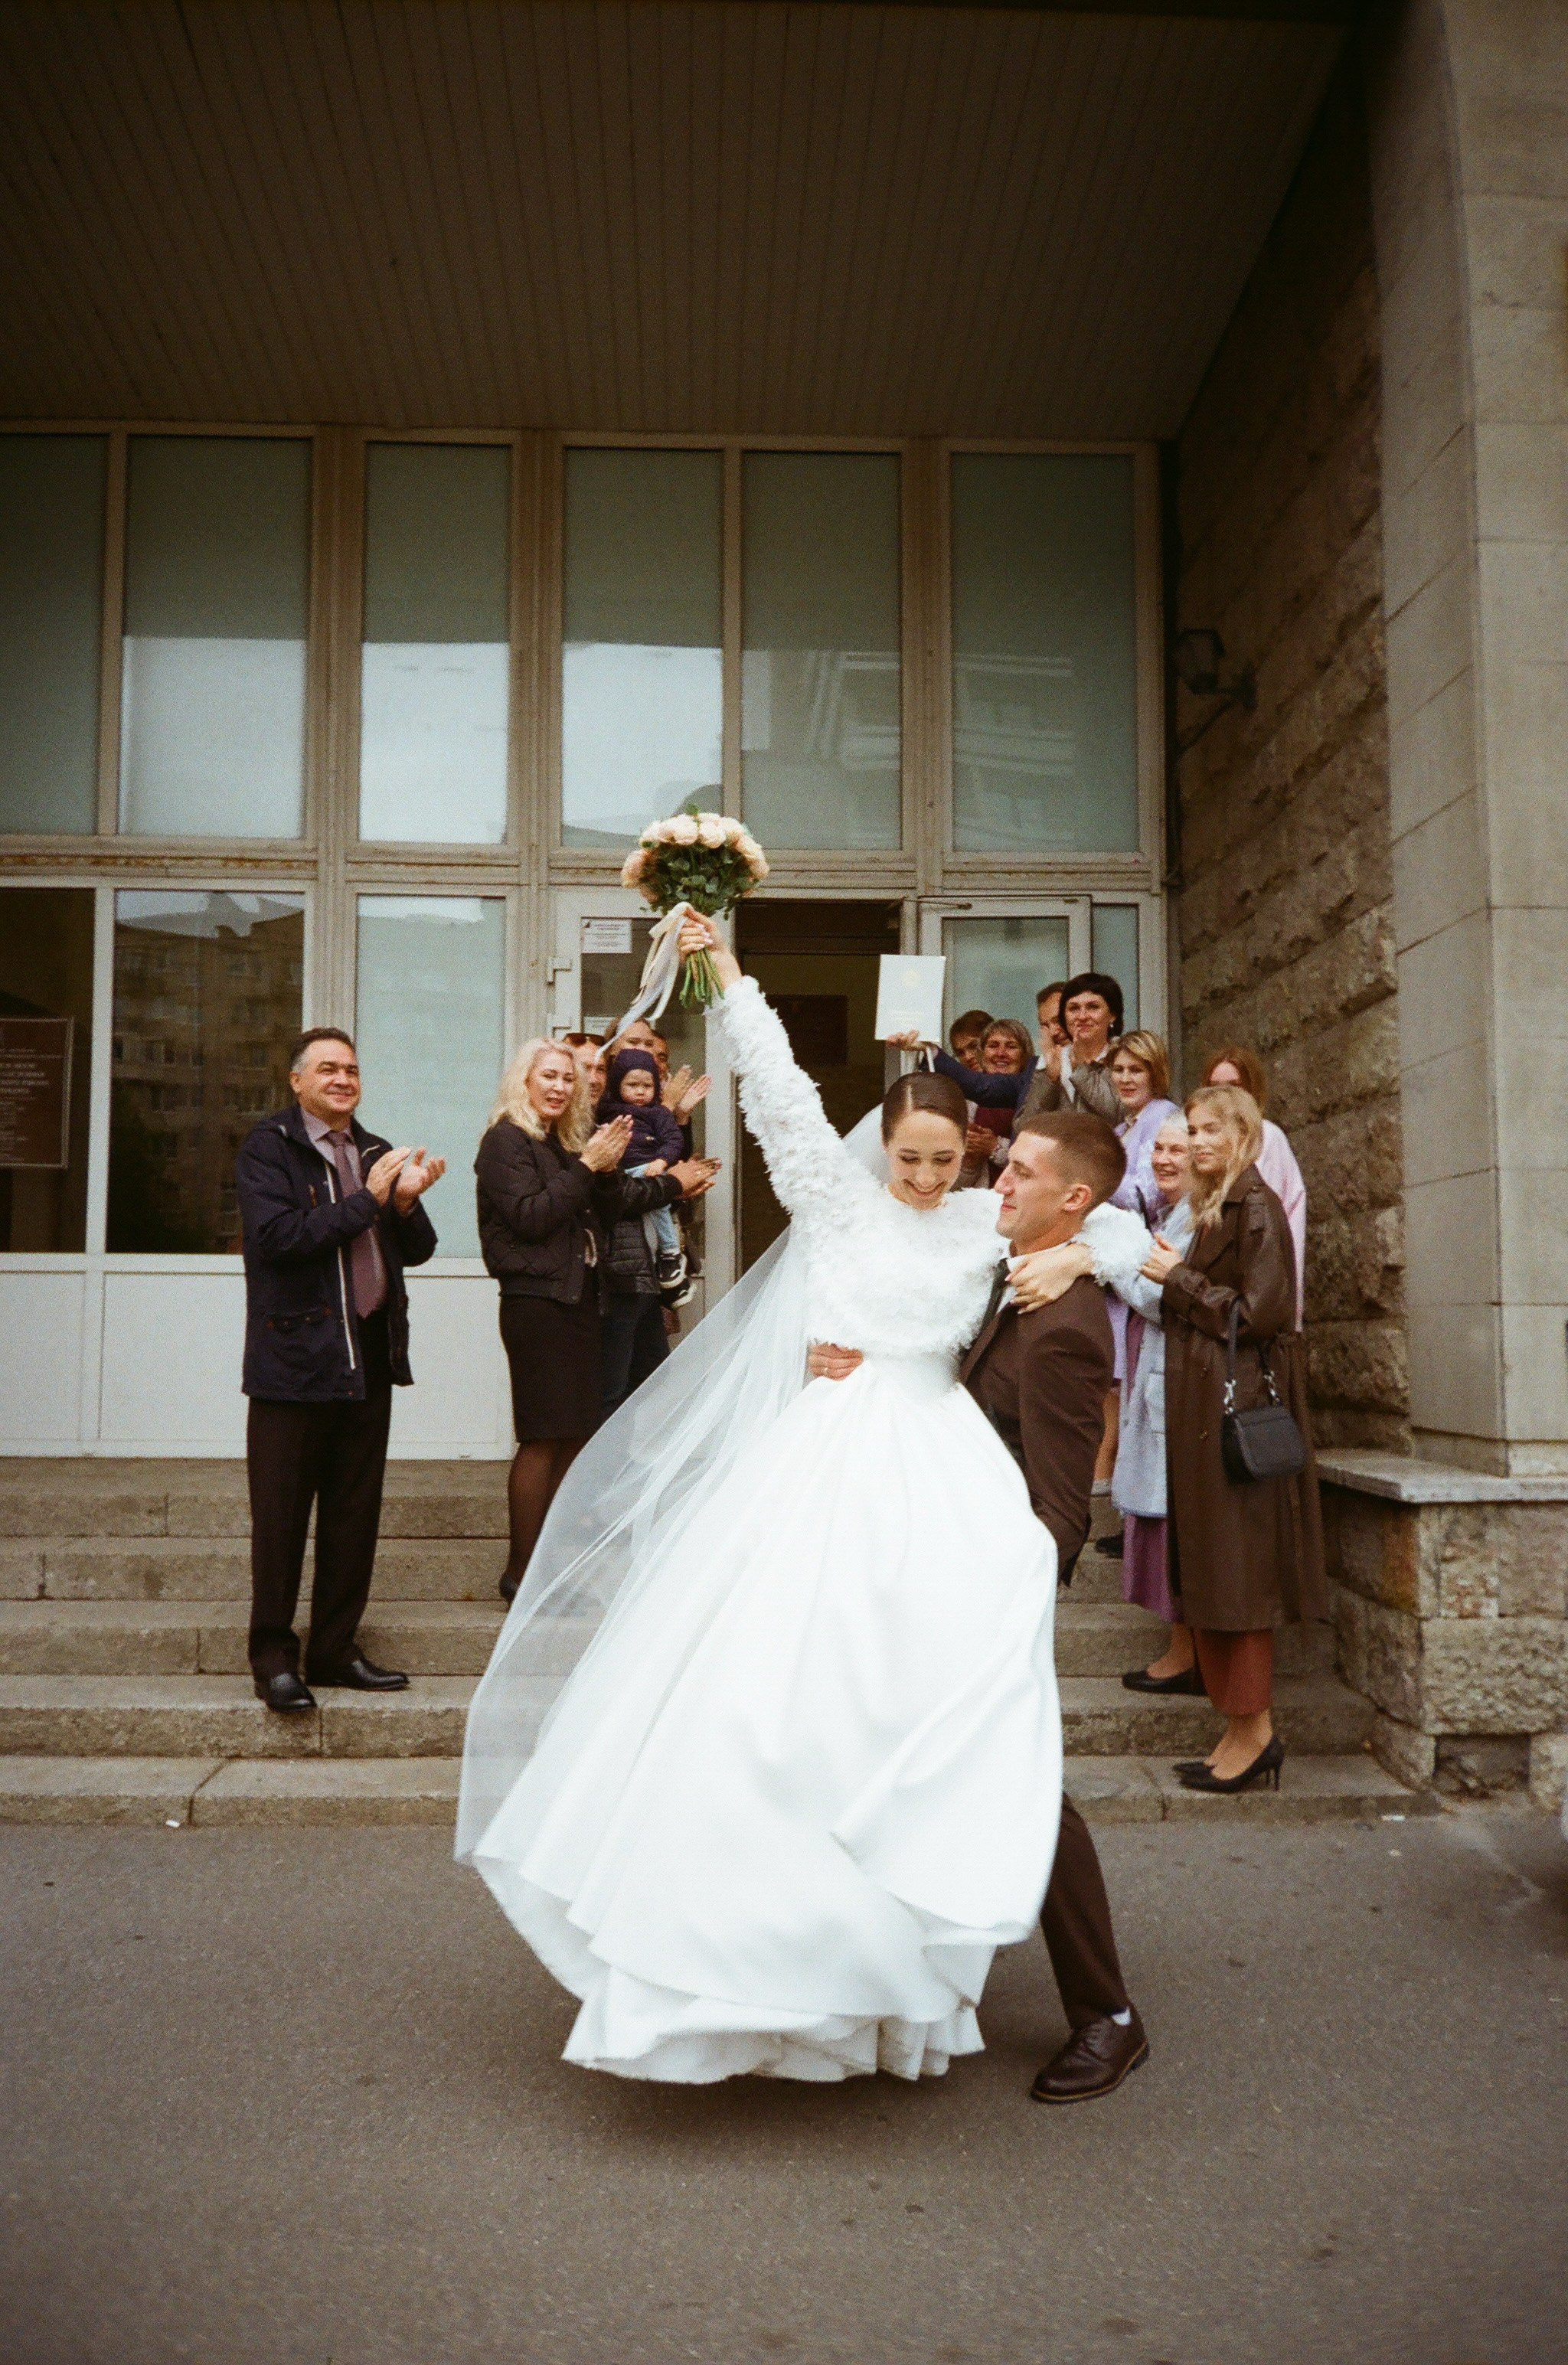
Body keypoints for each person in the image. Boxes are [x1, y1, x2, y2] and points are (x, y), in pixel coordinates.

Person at [456, 916, 1148, 2086]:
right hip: (823, 1475)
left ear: (976, 1158)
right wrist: (723, 966)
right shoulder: (839, 1202)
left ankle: (923, 1962)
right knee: (775, 1714)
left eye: (947, 1160)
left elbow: (1128, 1226)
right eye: (910, 1158)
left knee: (924, 1728)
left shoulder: (1002, 1224)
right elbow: (774, 1086)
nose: (926, 1179)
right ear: (881, 1147)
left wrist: (1087, 1258)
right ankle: (773, 1958)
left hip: (943, 1493)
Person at [950, 1112, 1152, 2102]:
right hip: (942, 1570)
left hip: (996, 1588)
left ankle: (1109, 2014)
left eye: (1023, 1172)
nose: (1002, 1181)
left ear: (1072, 1198)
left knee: (1031, 1789)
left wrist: (1000, 1605)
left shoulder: (1067, 1327)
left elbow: (1064, 1507)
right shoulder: (1016, 1268)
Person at [236, 1026, 445, 1713]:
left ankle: (333, 1650)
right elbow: (278, 1240)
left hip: (368, 1364)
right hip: (294, 1365)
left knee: (354, 1517)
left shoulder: (375, 1151)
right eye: (327, 1068)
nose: (342, 1079)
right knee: (281, 1518)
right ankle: (275, 1658)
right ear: (296, 1080)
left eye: (351, 1068)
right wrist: (366, 1201)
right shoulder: (271, 1147)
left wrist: (405, 1203)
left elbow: (417, 1251)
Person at [475, 1038, 717, 1606]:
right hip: (537, 1304)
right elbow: (532, 1217)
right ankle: (521, 1573)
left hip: (582, 1300)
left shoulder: (564, 1141)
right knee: (542, 1438)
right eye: (550, 1077)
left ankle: (549, 1573)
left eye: (568, 1078)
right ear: (524, 1082)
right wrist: (588, 1165)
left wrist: (671, 1183)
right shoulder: (504, 1141)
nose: (561, 1086)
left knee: (577, 1437)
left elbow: (611, 1203)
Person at [1141, 1084, 1328, 1792]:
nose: (1195, 1141)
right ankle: (1238, 1727)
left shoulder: (1256, 1206)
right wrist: (1176, 1277)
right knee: (1216, 1567)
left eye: (1209, 1129)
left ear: (1244, 1133)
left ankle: (1255, 1732)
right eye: (1190, 1129)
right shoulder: (1215, 1205)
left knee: (1239, 1568)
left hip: (1236, 1408)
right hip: (1206, 1406)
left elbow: (1265, 1313)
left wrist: (1178, 1277)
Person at [1112, 1117, 1200, 1682]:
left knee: (1176, 1526)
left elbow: (1160, 1295)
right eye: (1159, 1149)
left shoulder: (1197, 1218)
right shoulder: (1171, 1214)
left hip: (1181, 1385)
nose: (1165, 1159)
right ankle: (1184, 1652)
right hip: (1158, 1381)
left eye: (1179, 1150)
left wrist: (1117, 1259)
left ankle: (1186, 1656)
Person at [913, 969, 1125, 1133]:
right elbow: (1024, 1128)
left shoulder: (1126, 1057)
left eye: (1093, 1007)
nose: (1082, 1016)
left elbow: (1117, 1113)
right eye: (1073, 1009)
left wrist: (1080, 1068)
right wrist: (1049, 1079)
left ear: (1112, 1015)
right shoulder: (1048, 1063)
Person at [1201, 1045, 1306, 1326]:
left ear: (1250, 1089)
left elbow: (1263, 1225)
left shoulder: (1266, 1137)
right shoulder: (1207, 1140)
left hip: (1255, 1284)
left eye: (1233, 1086)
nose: (1224, 1096)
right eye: (1215, 1087)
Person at [596, 1046, 689, 1295]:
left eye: (647, 1086)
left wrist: (661, 1161)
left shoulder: (657, 1113)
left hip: (647, 1169)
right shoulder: (605, 1110)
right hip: (616, 1174)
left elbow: (673, 1140)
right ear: (617, 1085)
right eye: (632, 1085)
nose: (640, 1091)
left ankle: (670, 1252)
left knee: (660, 1206)